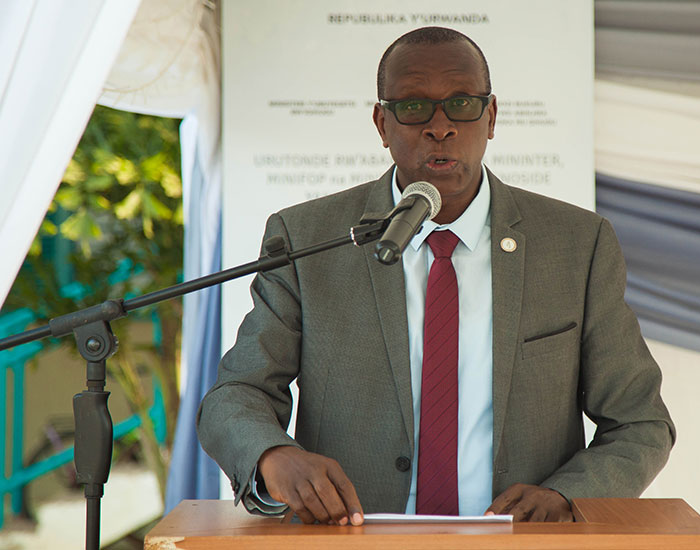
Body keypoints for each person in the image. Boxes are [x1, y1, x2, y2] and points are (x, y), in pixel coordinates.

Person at [197, 26, 675, 527]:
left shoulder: (577, 244)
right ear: (382, 124)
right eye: (413, 107)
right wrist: (272, 454)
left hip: (517, 542)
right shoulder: (310, 238)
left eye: (462, 104)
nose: (440, 126)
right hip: (353, 538)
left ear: (491, 118)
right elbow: (236, 395)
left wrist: (567, 496)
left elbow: (640, 423)